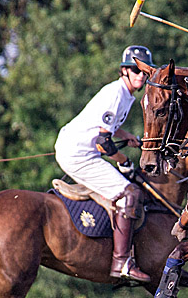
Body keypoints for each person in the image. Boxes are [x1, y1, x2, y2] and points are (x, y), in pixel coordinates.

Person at [55, 45, 154, 283]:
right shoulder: (116, 94)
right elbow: (102, 141)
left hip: (79, 149)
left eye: (144, 71)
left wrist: (126, 135)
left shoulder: (126, 94)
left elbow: (109, 128)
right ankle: (121, 263)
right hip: (79, 154)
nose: (140, 75)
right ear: (124, 71)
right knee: (130, 193)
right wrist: (124, 162)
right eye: (135, 69)